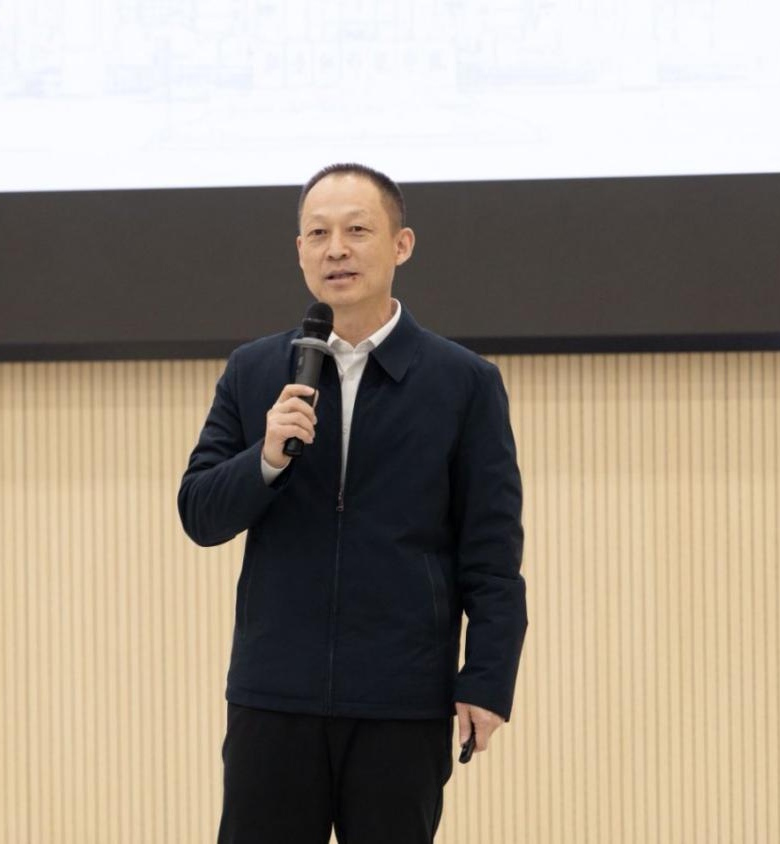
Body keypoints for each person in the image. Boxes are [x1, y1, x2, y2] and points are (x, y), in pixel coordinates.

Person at [178, 163, 526, 844]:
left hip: (401, 699)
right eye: (318, 234)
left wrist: (487, 680)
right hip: (275, 697)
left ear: (401, 245)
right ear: (299, 251)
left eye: (357, 230)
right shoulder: (255, 371)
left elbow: (492, 553)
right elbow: (199, 513)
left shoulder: (463, 383)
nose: (336, 249)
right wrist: (266, 458)